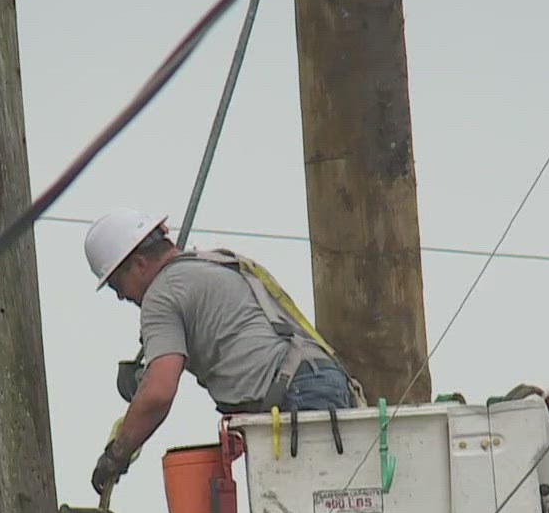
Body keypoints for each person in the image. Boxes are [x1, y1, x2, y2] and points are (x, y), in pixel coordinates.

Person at [85, 209, 357, 496]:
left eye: (117, 284)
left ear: (139, 264)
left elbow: (159, 394)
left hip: (295, 397)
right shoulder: (209, 264)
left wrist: (117, 454)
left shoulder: (160, 296)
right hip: (320, 383)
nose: (121, 296)